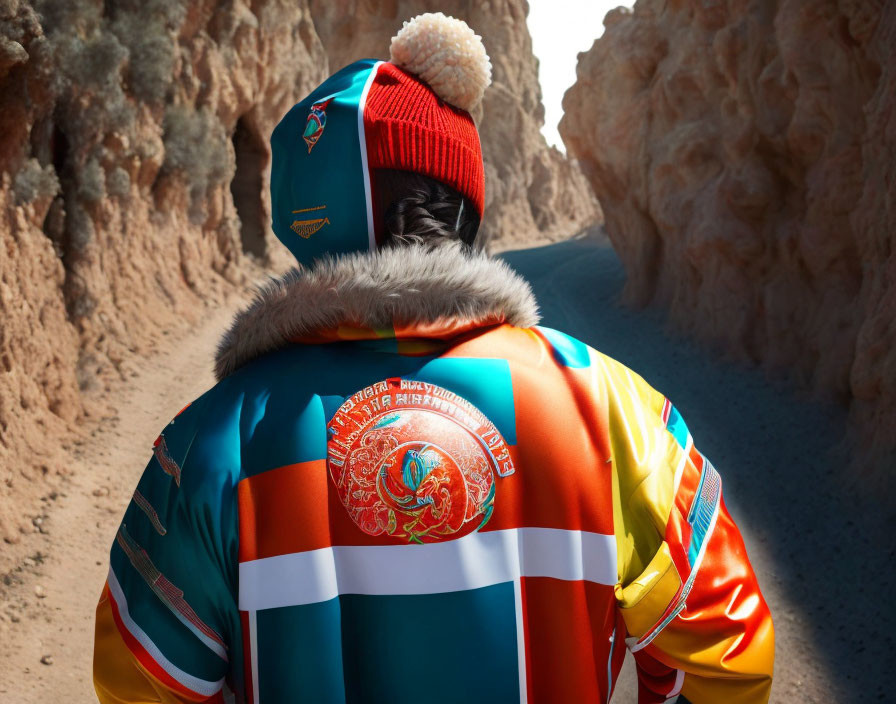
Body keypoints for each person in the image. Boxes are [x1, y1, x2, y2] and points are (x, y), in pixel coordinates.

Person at [93, 13, 774, 704]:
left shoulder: (212, 442)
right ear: (465, 209)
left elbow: (142, 684)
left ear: (299, 219)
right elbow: (731, 650)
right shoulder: (611, 407)